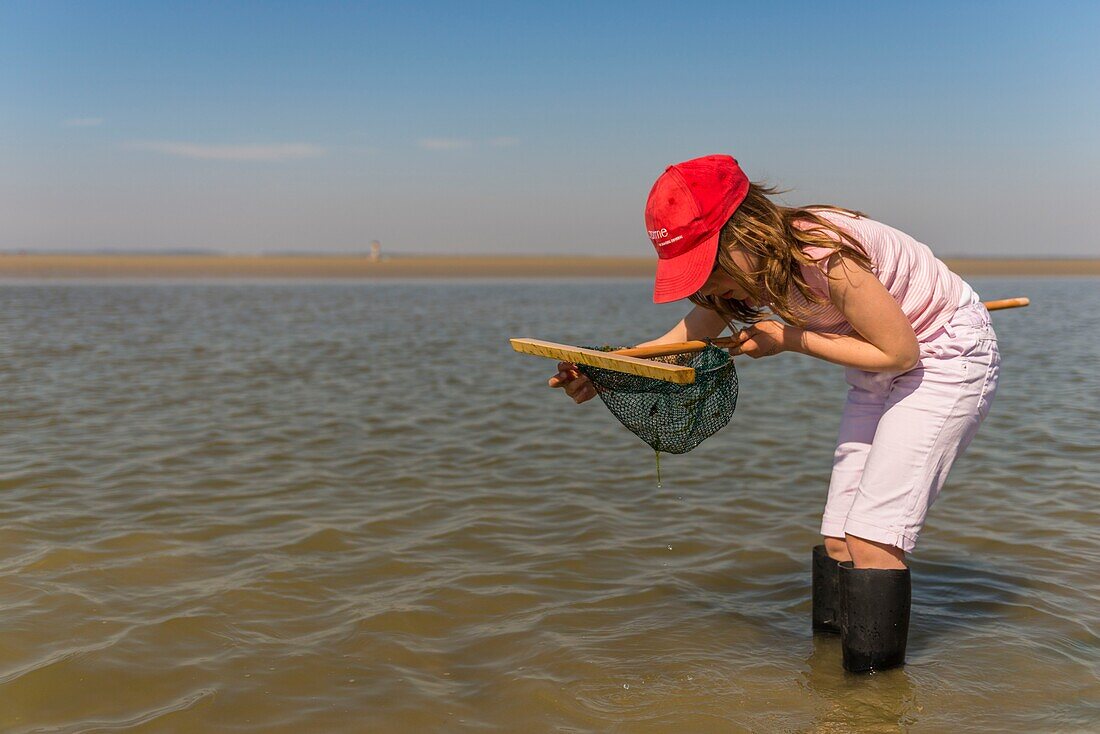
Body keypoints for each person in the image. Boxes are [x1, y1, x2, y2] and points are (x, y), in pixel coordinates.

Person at [548, 154, 1000, 672]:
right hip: (875, 365)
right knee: (839, 539)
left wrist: (789, 338)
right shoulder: (743, 274)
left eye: (712, 268)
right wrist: (604, 370)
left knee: (873, 538)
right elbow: (677, 343)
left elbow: (901, 354)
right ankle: (833, 678)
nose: (712, 288)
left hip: (943, 357)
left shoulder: (826, 253)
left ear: (748, 231)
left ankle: (872, 701)